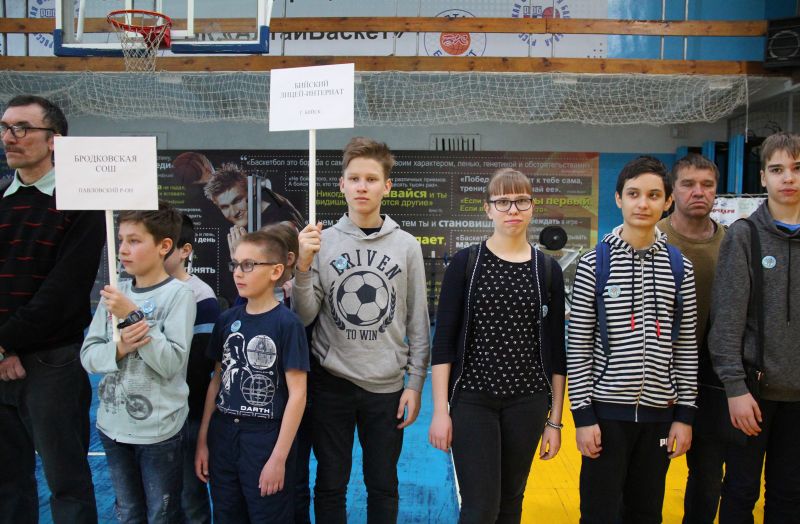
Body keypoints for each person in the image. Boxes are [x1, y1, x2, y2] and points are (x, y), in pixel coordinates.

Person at [292, 137, 431, 524]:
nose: (362, 187)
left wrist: (415, 383)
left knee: (383, 484)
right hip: (331, 381)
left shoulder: (407, 246)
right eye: (354, 178)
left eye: (371, 179)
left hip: (386, 386)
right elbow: (303, 316)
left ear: (387, 186)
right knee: (330, 483)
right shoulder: (321, 242)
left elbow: (418, 320)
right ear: (342, 184)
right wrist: (302, 265)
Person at [428, 168, 567, 523]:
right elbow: (443, 343)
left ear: (533, 206)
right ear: (488, 208)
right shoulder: (466, 264)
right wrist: (441, 411)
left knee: (510, 503)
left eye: (521, 200)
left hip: (528, 403)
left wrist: (554, 421)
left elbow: (556, 353)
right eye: (503, 201)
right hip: (473, 400)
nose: (513, 209)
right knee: (480, 508)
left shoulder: (546, 271)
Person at [567, 156, 698, 523]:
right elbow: (578, 345)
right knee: (599, 513)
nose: (643, 203)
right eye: (634, 193)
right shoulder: (594, 264)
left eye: (653, 195)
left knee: (646, 512)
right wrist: (583, 416)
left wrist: (684, 416)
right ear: (618, 198)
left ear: (667, 201)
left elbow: (685, 346)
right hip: (605, 416)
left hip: (659, 417)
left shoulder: (680, 267)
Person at [0, 94, 104, 524]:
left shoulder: (79, 203)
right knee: (7, 484)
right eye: (5, 127)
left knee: (67, 483)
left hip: (53, 362)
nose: (9, 137)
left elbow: (62, 293)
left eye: (21, 128)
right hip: (2, 355)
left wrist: (6, 342)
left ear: (54, 140)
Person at [81, 203, 196, 524]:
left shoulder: (179, 295)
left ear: (164, 246)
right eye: (121, 240)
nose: (123, 249)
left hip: (159, 431)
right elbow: (89, 357)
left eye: (134, 240)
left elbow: (171, 363)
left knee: (162, 513)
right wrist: (119, 348)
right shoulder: (114, 293)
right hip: (112, 426)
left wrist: (132, 316)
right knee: (129, 512)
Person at [709, 132, 800, 522]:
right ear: (763, 177)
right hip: (753, 394)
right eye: (777, 169)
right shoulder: (744, 236)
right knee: (740, 490)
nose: (788, 178)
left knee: (790, 493)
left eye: (797, 168)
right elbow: (726, 321)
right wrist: (735, 388)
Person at [194, 230, 309, 523]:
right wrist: (204, 440)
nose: (238, 273)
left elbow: (298, 394)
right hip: (224, 436)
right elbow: (217, 381)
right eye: (235, 264)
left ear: (276, 271)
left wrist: (278, 458)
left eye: (248, 265)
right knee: (227, 514)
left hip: (265, 439)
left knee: (268, 514)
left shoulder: (288, 324)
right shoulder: (226, 320)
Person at [656, 154, 728, 523]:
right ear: (673, 192)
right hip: (658, 375)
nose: (698, 192)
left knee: (707, 475)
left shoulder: (732, 243)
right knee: (649, 473)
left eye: (707, 185)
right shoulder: (652, 238)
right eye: (688, 184)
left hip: (714, 378)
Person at [163, 213, 221, 524]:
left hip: (186, 414)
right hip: (146, 418)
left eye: (164, 245)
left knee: (190, 498)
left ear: (184, 250)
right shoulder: (128, 292)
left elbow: (201, 368)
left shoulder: (201, 297)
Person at [204, 163, 305, 256]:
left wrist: (242, 257)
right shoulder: (264, 204)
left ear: (251, 193)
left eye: (237, 200)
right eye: (225, 207)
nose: (234, 212)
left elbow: (287, 269)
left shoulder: (282, 226)